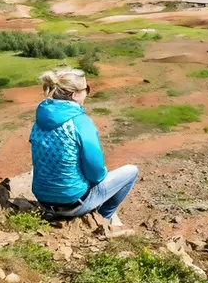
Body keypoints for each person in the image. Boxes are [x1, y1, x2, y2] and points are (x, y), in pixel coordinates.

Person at [30, 68, 138, 223]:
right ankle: (104, 217)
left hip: (43, 201)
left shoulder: (39, 120)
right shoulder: (80, 122)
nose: (87, 93)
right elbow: (96, 173)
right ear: (74, 95)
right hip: (73, 203)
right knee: (131, 171)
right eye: (86, 89)